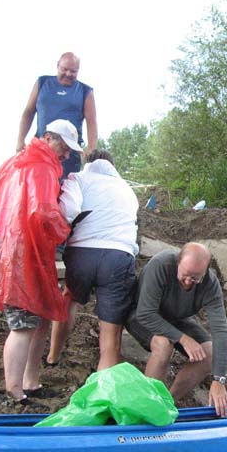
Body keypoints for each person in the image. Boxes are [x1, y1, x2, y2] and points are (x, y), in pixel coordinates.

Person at [0, 119, 82, 403]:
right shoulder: (42, 166)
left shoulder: (14, 163)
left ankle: (30, 382)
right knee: (23, 324)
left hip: (13, 249)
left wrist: (11, 221)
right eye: (64, 147)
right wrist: (65, 229)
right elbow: (43, 211)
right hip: (25, 255)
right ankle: (15, 393)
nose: (66, 155)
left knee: (40, 319)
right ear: (47, 138)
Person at [46, 150, 139, 371]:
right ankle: (104, 382)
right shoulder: (127, 189)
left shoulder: (79, 178)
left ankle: (52, 357)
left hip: (82, 253)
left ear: (88, 163)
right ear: (113, 165)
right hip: (119, 255)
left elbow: (68, 209)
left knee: (69, 298)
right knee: (111, 328)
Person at [124, 243, 227, 417]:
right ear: (178, 262)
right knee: (163, 345)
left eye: (195, 278)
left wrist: (219, 379)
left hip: (177, 319)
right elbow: (145, 313)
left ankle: (167, 404)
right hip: (142, 315)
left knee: (209, 354)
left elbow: (220, 330)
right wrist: (182, 338)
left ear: (205, 271)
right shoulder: (161, 265)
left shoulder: (210, 284)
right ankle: (148, 405)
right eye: (185, 275)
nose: (189, 281)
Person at [17, 52, 98, 180]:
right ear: (57, 65)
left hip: (68, 152)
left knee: (63, 188)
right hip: (41, 148)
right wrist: (20, 139)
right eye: (64, 69)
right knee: (35, 182)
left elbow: (92, 122)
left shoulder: (85, 91)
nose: (68, 74)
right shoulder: (42, 82)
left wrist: (91, 149)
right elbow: (28, 112)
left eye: (73, 71)